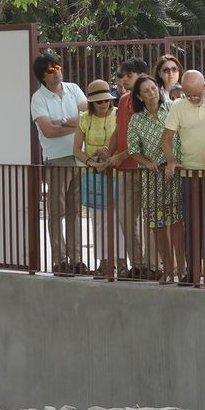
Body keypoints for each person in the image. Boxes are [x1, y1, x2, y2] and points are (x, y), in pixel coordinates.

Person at [162, 70, 205, 284]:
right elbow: (167, 138)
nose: (192, 98)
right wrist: (171, 159)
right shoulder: (178, 106)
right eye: (187, 94)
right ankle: (192, 271)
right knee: (191, 225)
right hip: (190, 174)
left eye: (195, 94)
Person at [30, 50, 88, 275]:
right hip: (57, 159)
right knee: (57, 211)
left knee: (75, 212)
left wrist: (63, 122)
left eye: (58, 68)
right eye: (51, 70)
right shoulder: (39, 98)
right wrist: (76, 124)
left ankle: (77, 259)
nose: (57, 73)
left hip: (79, 156)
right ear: (43, 76)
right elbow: (48, 130)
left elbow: (88, 117)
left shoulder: (73, 89)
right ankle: (59, 259)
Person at [125, 75, 184, 284]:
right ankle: (167, 269)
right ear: (140, 97)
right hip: (152, 178)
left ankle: (182, 269)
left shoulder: (172, 108)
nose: (152, 93)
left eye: (154, 88)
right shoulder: (137, 119)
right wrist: (147, 162)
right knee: (159, 225)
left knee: (177, 223)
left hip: (175, 173)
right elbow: (133, 149)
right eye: (147, 91)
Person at [107, 57, 155, 279]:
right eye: (122, 75)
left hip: (147, 167)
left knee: (152, 218)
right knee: (126, 217)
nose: (124, 79)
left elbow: (145, 139)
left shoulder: (150, 100)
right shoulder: (124, 99)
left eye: (130, 75)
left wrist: (119, 155)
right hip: (126, 167)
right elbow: (118, 131)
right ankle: (138, 264)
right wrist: (110, 154)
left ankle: (154, 265)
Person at [73, 79, 119, 275]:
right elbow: (76, 150)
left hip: (116, 172)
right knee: (98, 221)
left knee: (119, 219)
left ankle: (121, 262)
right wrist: (92, 161)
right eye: (99, 102)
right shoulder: (84, 119)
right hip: (93, 174)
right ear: (92, 103)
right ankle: (104, 262)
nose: (104, 105)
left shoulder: (118, 115)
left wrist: (110, 155)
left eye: (106, 101)